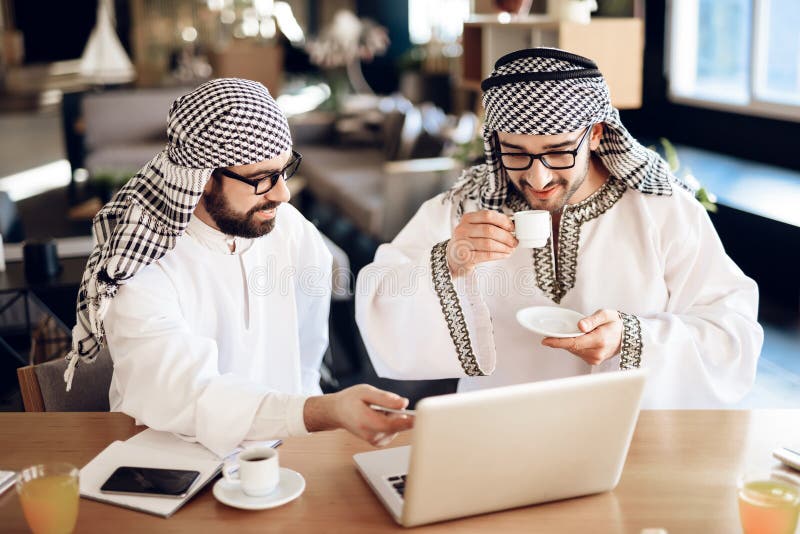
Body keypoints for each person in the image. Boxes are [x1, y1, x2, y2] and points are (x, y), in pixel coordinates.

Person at [355, 48, 763, 408]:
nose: (538, 178)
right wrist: (447, 261)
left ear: (597, 134)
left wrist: (634, 337)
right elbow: (378, 297)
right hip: (495, 435)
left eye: (558, 152)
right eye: (515, 153)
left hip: (625, 437)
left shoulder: (662, 210)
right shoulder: (460, 209)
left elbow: (733, 332)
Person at [64, 78, 412, 457]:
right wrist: (318, 412)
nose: (283, 194)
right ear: (201, 178)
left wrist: (310, 431)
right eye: (261, 179)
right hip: (170, 459)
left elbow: (306, 358)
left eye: (284, 170)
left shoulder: (292, 232)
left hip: (284, 446)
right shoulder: (144, 262)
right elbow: (186, 392)